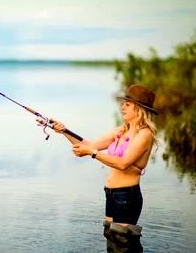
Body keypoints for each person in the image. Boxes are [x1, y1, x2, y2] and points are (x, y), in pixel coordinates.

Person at [44, 85, 158, 252]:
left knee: (123, 245)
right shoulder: (121, 131)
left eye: (127, 104)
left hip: (126, 196)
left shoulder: (145, 134)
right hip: (111, 194)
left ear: (139, 108)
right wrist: (63, 131)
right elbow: (88, 145)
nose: (122, 107)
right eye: (123, 103)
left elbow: (123, 163)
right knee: (112, 243)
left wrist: (92, 153)